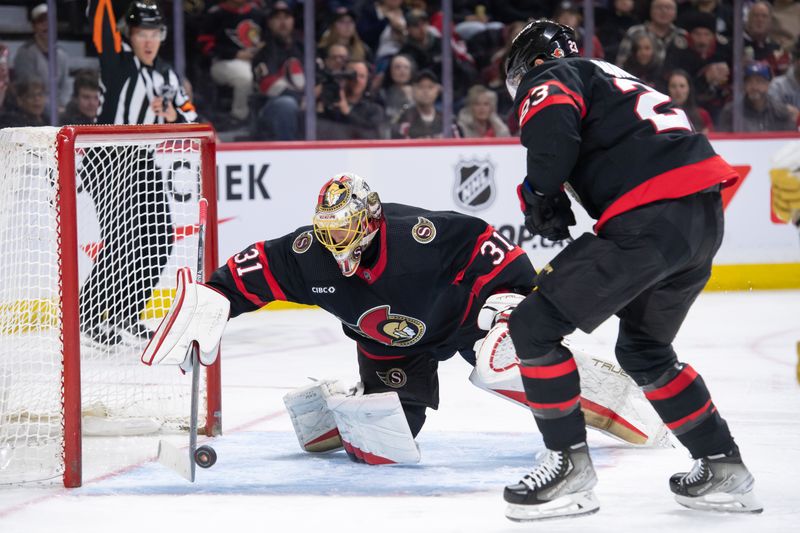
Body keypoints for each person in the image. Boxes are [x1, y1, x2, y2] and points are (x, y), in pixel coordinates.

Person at [142, 173, 670, 466]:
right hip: (389, 348)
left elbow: (486, 243)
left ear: (370, 221)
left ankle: (614, 397)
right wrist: (212, 298)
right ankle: (344, 403)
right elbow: (249, 271)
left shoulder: (418, 235)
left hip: (463, 320)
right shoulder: (310, 253)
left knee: (506, 365)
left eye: (345, 230)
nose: (335, 242)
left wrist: (513, 300)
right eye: (327, 230)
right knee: (382, 450)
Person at [501, 19, 762, 520]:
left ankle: (569, 471)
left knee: (533, 327)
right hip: (701, 218)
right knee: (644, 349)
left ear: (530, 64)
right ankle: (723, 467)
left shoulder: (550, 73)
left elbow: (553, 128)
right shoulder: (612, 74)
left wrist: (539, 193)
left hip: (651, 216)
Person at [81, 0, 198, 345]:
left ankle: (126, 312)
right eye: (141, 33)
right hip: (107, 160)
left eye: (153, 33)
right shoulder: (117, 62)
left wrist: (173, 114)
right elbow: (100, 23)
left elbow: (193, 118)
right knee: (121, 241)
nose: (148, 40)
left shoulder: (166, 73)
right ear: (129, 36)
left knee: (159, 238)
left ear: (161, 36)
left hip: (142, 160)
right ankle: (89, 315)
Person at [200, 0, 265, 123]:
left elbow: (266, 39)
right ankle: (239, 117)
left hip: (255, 61)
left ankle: (264, 117)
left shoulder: (257, 14)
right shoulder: (216, 14)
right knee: (245, 76)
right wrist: (235, 54)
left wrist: (262, 48)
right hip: (223, 63)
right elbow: (204, 45)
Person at [252, 1, 305, 140]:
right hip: (270, 105)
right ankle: (289, 153)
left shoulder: (304, 47)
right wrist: (303, 98)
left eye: (286, 17)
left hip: (306, 100)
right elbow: (269, 85)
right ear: (269, 22)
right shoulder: (264, 52)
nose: (283, 22)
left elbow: (319, 75)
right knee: (286, 104)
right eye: (277, 18)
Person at [13, 3, 70, 114]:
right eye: (41, 21)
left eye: (49, 21)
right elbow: (29, 88)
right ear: (34, 27)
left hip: (59, 110)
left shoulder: (62, 54)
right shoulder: (25, 53)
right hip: (34, 108)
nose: (46, 25)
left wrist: (62, 106)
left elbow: (65, 87)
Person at [718, 61, 795, 132]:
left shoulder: (780, 111)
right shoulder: (731, 112)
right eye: (749, 81)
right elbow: (725, 141)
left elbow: (790, 141)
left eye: (759, 81)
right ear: (744, 85)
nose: (754, 87)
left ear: (768, 84)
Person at [666, 69, 713, 133]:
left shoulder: (702, 115)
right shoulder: (660, 116)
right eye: (673, 86)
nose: (678, 90)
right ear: (667, 89)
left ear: (689, 89)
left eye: (682, 86)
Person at [768, 39, 800, 126]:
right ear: (795, 60)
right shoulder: (778, 86)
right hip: (786, 137)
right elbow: (769, 118)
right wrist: (784, 110)